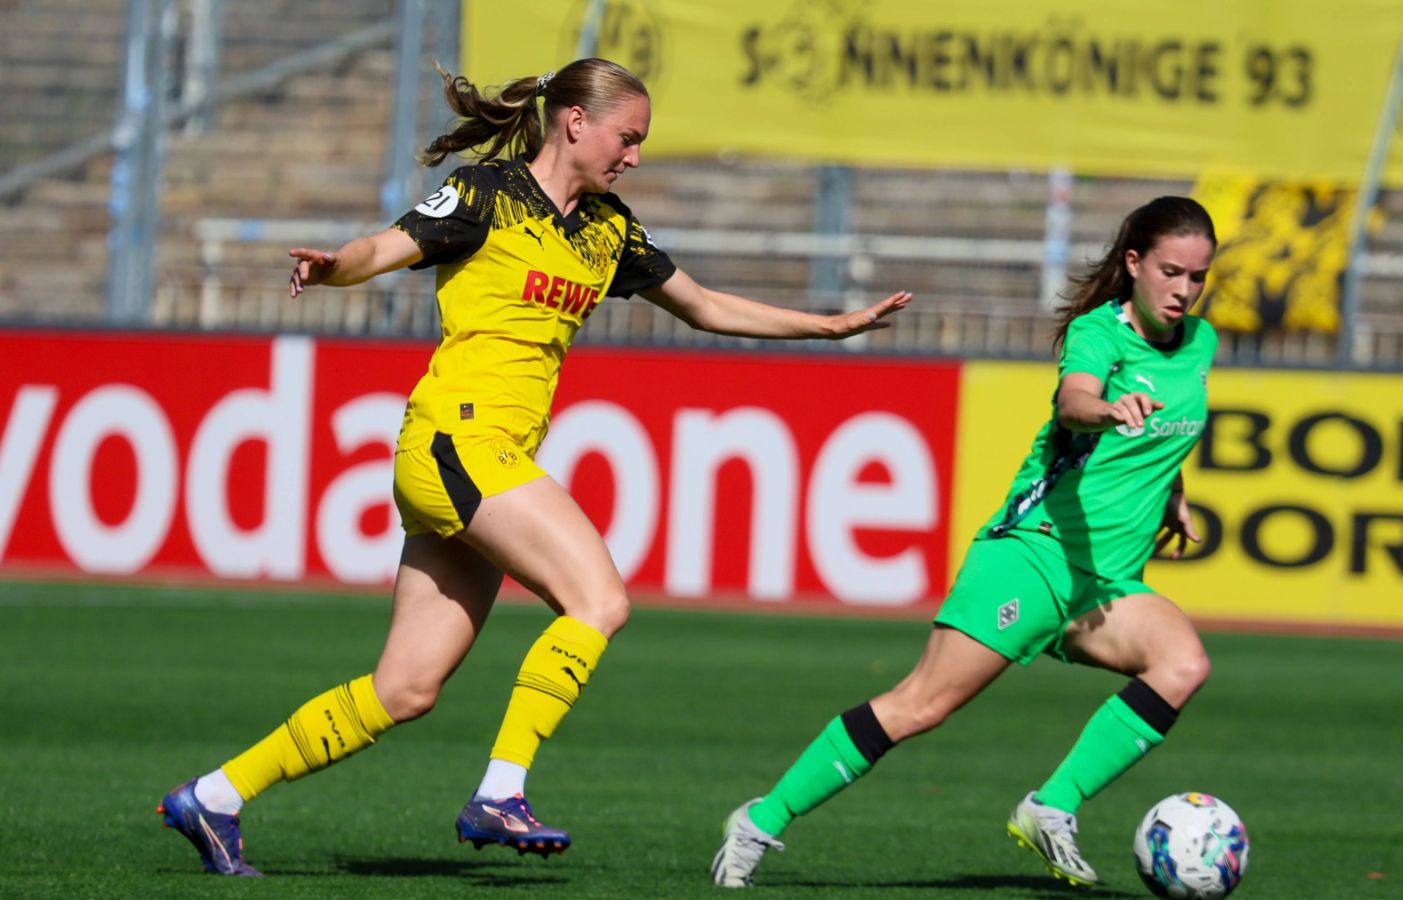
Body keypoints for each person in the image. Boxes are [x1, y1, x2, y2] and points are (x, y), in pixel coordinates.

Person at [156, 57, 912, 878]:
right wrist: (336, 265)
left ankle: (216, 796)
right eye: (628, 137)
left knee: (404, 690)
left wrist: (827, 326)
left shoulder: (609, 229)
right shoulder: (487, 194)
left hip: (488, 458)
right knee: (599, 600)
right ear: (575, 122)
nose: (635, 156)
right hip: (456, 440)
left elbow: (704, 305)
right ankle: (501, 791)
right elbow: (387, 245)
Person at [711, 196, 1217, 889]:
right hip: (1033, 557)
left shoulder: (1200, 343)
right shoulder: (1099, 335)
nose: (1184, 290)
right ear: (1133, 264)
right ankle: (759, 821)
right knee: (921, 704)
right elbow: (1074, 403)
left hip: (1105, 584)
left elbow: (1166, 428)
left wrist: (1174, 493)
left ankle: (1051, 807)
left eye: (1197, 276)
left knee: (1183, 664)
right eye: (1171, 272)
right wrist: (1108, 410)